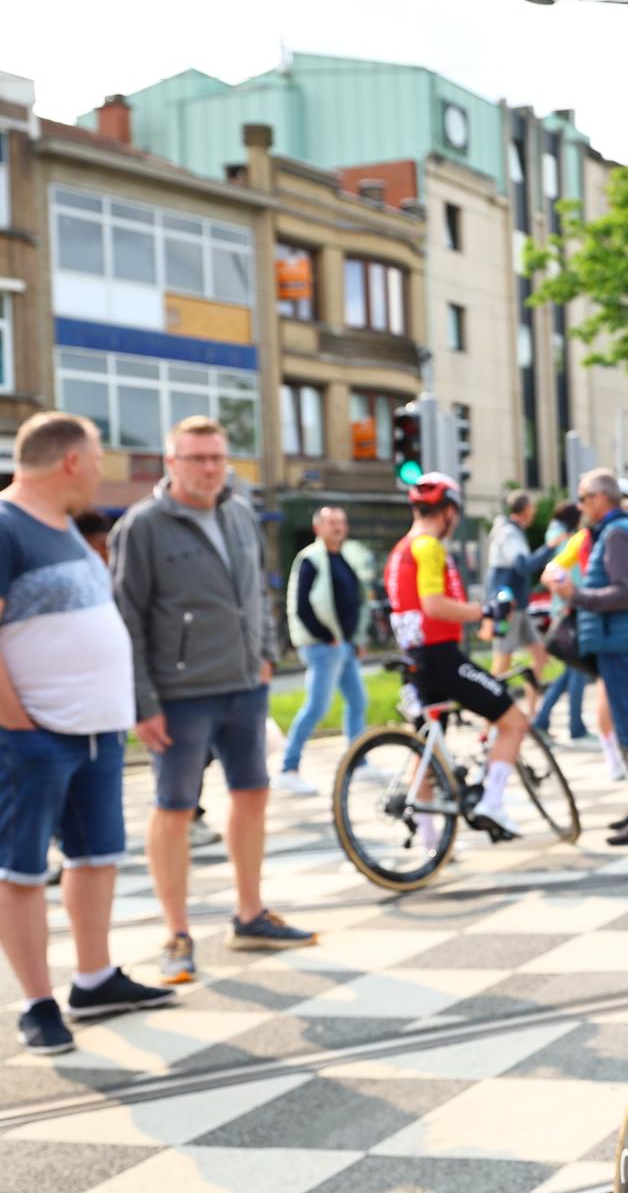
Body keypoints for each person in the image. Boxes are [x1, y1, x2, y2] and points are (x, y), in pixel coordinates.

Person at [112, 416, 316, 986]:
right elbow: (125, 618)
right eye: (196, 457)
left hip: (244, 686)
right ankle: (176, 934)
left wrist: (267, 652)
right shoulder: (143, 526)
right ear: (170, 462)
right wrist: (141, 701)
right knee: (174, 809)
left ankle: (249, 915)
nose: (208, 468)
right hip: (178, 695)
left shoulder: (240, 514)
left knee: (252, 795)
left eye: (217, 457)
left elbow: (258, 587)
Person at [1, 414, 176, 1053]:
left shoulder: (68, 531)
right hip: (36, 735)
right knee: (19, 869)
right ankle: (37, 1002)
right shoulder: (5, 526)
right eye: (98, 454)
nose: (102, 466)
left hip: (98, 733)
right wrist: (16, 722)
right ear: (71, 460)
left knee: (96, 856)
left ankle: (94, 977)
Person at [384, 472, 526, 840]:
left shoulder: (399, 550)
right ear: (448, 511)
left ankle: (430, 846)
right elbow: (434, 605)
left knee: (427, 755)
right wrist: (485, 612)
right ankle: (492, 803)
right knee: (514, 720)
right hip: (441, 659)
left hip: (414, 659)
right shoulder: (428, 546)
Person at [545, 469, 628, 846]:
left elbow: (626, 593)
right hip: (622, 642)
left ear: (598, 498)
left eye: (582, 498)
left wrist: (575, 595)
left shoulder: (617, 533)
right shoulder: (625, 529)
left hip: (618, 643)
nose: (580, 506)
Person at [274, 507, 369, 795]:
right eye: (331, 523)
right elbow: (301, 605)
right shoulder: (311, 559)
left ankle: (359, 762)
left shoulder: (344, 557)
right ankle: (288, 769)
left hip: (344, 645)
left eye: (341, 521)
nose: (338, 527)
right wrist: (325, 636)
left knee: (358, 701)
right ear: (318, 528)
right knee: (317, 706)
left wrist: (356, 637)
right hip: (323, 647)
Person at [484, 490, 556, 710]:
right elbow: (523, 565)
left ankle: (532, 717)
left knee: (540, 656)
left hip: (520, 608)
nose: (534, 511)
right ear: (524, 509)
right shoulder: (508, 533)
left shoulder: (513, 531)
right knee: (501, 663)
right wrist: (550, 548)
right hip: (509, 608)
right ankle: (490, 721)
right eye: (532, 507)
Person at [531, 501, 591, 745]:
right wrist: (577, 595)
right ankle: (575, 727)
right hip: (570, 609)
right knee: (576, 671)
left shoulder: (559, 537)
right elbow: (571, 575)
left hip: (564, 608)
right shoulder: (570, 541)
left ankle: (542, 721)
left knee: (571, 671)